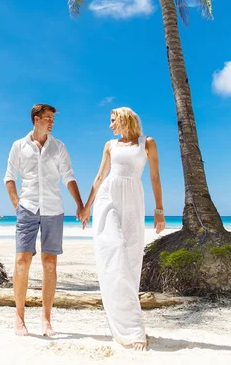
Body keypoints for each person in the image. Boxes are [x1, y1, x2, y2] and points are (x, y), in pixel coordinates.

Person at [80, 107, 166, 351]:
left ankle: (125, 324)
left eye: (112, 120)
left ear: (124, 118)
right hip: (109, 198)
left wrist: (159, 210)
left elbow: (155, 177)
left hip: (133, 201)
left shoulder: (147, 143)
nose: (110, 125)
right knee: (115, 251)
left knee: (129, 261)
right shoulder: (110, 145)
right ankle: (134, 330)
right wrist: (87, 206)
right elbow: (99, 177)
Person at [4, 103, 84, 337]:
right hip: (27, 208)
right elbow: (9, 177)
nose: (51, 122)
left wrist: (79, 204)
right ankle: (19, 318)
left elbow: (69, 176)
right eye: (48, 118)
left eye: (53, 119)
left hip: (53, 209)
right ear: (36, 119)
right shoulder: (19, 146)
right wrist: (17, 204)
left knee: (50, 263)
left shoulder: (58, 147)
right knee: (22, 261)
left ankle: (46, 320)